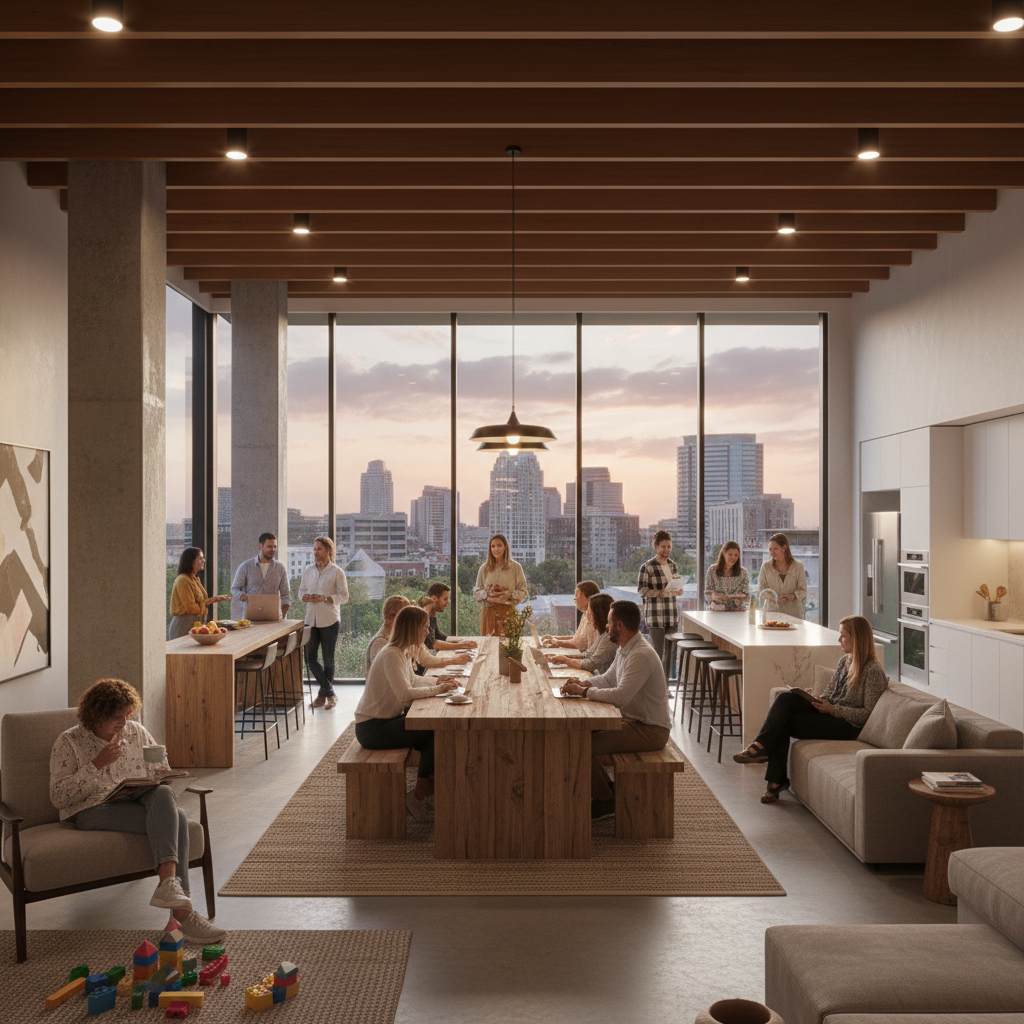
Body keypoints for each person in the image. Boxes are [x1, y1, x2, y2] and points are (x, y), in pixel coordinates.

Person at [49, 678, 225, 943]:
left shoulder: (135, 731)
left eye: (127, 714)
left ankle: (171, 892)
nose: (124, 722)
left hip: (135, 800)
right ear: (96, 714)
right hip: (92, 809)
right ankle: (183, 915)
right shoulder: (69, 741)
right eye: (116, 716)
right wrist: (97, 764)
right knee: (176, 818)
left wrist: (164, 774)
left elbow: (158, 773)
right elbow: (59, 797)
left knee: (165, 793)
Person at [733, 615, 888, 804]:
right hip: (830, 713)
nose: (839, 640)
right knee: (786, 698)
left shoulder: (872, 671)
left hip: (848, 725)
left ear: (857, 637)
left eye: (843, 636)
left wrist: (833, 709)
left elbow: (869, 715)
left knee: (785, 721)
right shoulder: (845, 661)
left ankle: (772, 773)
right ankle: (766, 761)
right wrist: (814, 698)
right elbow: (829, 693)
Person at [561, 600, 672, 820]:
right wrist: (585, 684)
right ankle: (607, 790)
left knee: (580, 745)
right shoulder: (626, 648)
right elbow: (608, 678)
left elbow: (620, 696)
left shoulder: (639, 655)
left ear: (619, 625)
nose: (606, 627)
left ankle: (605, 801)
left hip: (651, 730)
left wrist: (583, 693)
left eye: (609, 623)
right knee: (579, 733)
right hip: (635, 721)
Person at [354, 606, 459, 820]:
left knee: (434, 734)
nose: (427, 634)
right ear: (412, 628)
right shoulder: (391, 654)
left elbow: (413, 680)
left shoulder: (400, 650)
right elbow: (405, 694)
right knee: (431, 731)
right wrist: (438, 689)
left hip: (385, 721)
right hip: (372, 728)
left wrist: (439, 680)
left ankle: (427, 791)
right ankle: (419, 797)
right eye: (424, 628)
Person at [299, 536, 349, 709]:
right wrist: (304, 597)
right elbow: (301, 591)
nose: (315, 552)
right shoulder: (307, 570)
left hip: (329, 620)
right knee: (309, 658)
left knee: (329, 660)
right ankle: (330, 692)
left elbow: (344, 596)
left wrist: (327, 598)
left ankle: (322, 698)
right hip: (311, 620)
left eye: (319, 549)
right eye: (314, 549)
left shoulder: (337, 572)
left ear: (328, 550)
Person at [366, 595, 470, 677]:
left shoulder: (407, 634)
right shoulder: (380, 643)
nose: (408, 620)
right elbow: (394, 684)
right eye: (403, 616)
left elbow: (427, 660)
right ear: (387, 617)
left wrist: (454, 660)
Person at [636, 529, 679, 677]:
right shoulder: (647, 567)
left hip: (671, 614)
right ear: (656, 547)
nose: (666, 550)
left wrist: (678, 590)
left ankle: (665, 687)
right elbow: (642, 590)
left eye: (668, 546)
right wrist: (658, 593)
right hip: (655, 616)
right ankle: (656, 688)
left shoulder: (672, 565)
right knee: (658, 653)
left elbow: (675, 585)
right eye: (663, 547)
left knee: (671, 653)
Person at [546, 593, 616, 675]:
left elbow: (591, 664)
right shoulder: (604, 635)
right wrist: (561, 657)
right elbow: (587, 655)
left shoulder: (609, 639)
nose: (588, 617)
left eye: (590, 613)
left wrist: (565, 660)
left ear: (599, 615)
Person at [167, 547, 229, 640]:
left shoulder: (194, 579)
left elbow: (200, 603)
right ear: (190, 561)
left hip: (194, 625)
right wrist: (211, 600)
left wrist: (213, 600)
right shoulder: (183, 580)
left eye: (203, 558)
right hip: (183, 626)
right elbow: (191, 607)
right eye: (200, 558)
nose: (203, 560)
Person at [473, 534, 528, 637]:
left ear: (505, 547)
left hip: (508, 613)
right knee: (488, 647)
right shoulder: (484, 568)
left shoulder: (516, 568)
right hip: (488, 613)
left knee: (508, 649)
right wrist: (488, 595)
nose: (496, 549)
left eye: (499, 545)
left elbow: (523, 592)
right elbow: (477, 594)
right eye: (493, 546)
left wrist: (508, 595)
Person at [231, 532, 291, 620]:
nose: (273, 549)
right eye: (269, 546)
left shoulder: (280, 568)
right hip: (251, 619)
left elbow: (285, 594)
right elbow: (234, 588)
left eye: (275, 547)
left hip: (273, 619)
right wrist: (241, 595)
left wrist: (283, 617)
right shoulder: (245, 566)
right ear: (260, 546)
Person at [757, 532, 808, 620]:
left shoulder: (798, 567)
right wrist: (775, 599)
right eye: (770, 549)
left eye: (775, 549)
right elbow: (761, 591)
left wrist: (792, 596)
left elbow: (803, 590)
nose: (772, 552)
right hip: (772, 615)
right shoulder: (766, 567)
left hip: (794, 615)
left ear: (784, 548)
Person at [542, 580, 601, 650]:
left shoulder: (592, 618)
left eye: (577, 595)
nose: (574, 598)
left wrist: (557, 642)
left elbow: (578, 644)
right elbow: (577, 638)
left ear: (587, 598)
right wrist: (554, 638)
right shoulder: (586, 614)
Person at [423, 582, 477, 652]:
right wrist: (461, 645)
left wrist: (460, 642)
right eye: (445, 599)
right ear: (434, 598)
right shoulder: (424, 615)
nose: (448, 602)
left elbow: (439, 636)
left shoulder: (431, 613)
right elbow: (432, 644)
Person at [704, 541, 751, 612]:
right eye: (730, 554)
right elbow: (707, 592)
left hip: (738, 612)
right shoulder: (712, 570)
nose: (733, 557)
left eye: (736, 555)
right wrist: (714, 596)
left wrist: (738, 597)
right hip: (717, 611)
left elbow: (746, 596)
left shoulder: (743, 572)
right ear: (723, 554)